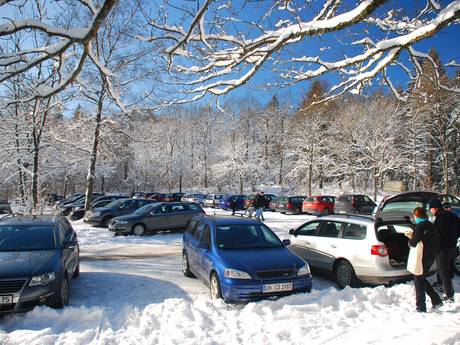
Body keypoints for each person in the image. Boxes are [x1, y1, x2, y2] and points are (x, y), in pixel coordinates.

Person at [405, 207, 443, 312]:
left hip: (421, 257)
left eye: (414, 216)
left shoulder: (420, 226)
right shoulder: (431, 225)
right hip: (431, 256)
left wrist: (410, 237)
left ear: (416, 215)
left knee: (418, 280)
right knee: (421, 278)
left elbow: (413, 243)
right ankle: (436, 300)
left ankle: (421, 307)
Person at [429, 198, 458, 302]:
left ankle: (449, 295)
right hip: (453, 247)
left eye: (431, 208)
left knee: (443, 271)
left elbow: (438, 234)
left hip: (443, 249)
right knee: (448, 269)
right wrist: (454, 239)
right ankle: (448, 290)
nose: (430, 211)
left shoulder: (440, 218)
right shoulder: (452, 216)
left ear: (435, 208)